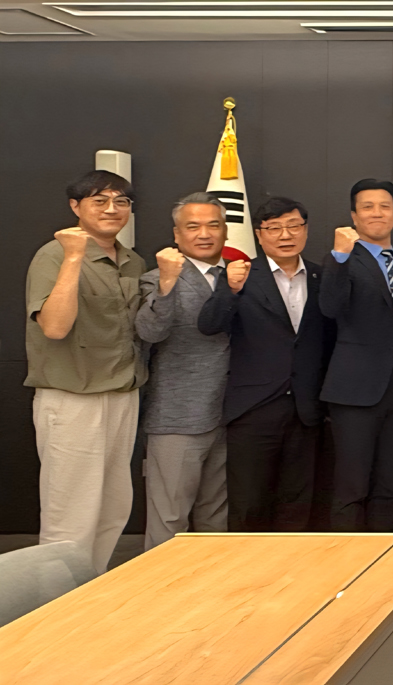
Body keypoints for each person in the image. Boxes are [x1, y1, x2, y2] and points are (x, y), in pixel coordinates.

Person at [26, 170, 147, 573]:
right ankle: (56, 602)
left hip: (122, 393)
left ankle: (92, 592)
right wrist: (75, 257)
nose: (112, 209)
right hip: (73, 399)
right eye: (100, 200)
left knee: (113, 508)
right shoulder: (53, 255)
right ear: (75, 207)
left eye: (121, 201)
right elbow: (54, 327)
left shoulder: (132, 262)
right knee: (70, 514)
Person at [198, 197, 330, 533]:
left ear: (305, 229)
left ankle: (294, 564)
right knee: (249, 503)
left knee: (298, 503)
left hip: (306, 409)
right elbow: (209, 324)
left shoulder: (321, 275)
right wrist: (229, 290)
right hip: (254, 409)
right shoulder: (241, 275)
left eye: (294, 226)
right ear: (259, 234)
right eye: (274, 228)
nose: (286, 235)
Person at [321, 178, 393, 532]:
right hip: (356, 390)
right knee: (351, 487)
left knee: (388, 487)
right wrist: (339, 257)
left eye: (385, 206)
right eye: (367, 207)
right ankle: (347, 563)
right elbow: (330, 307)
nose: (377, 213)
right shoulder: (343, 258)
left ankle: (382, 560)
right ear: (354, 215)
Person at [136, 192, 238, 550]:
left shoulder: (237, 275)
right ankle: (160, 585)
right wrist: (167, 285)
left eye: (213, 225)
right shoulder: (157, 279)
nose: (204, 234)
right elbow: (149, 332)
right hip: (177, 418)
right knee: (169, 520)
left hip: (228, 415)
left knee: (216, 517)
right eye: (193, 226)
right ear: (177, 234)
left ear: (226, 231)